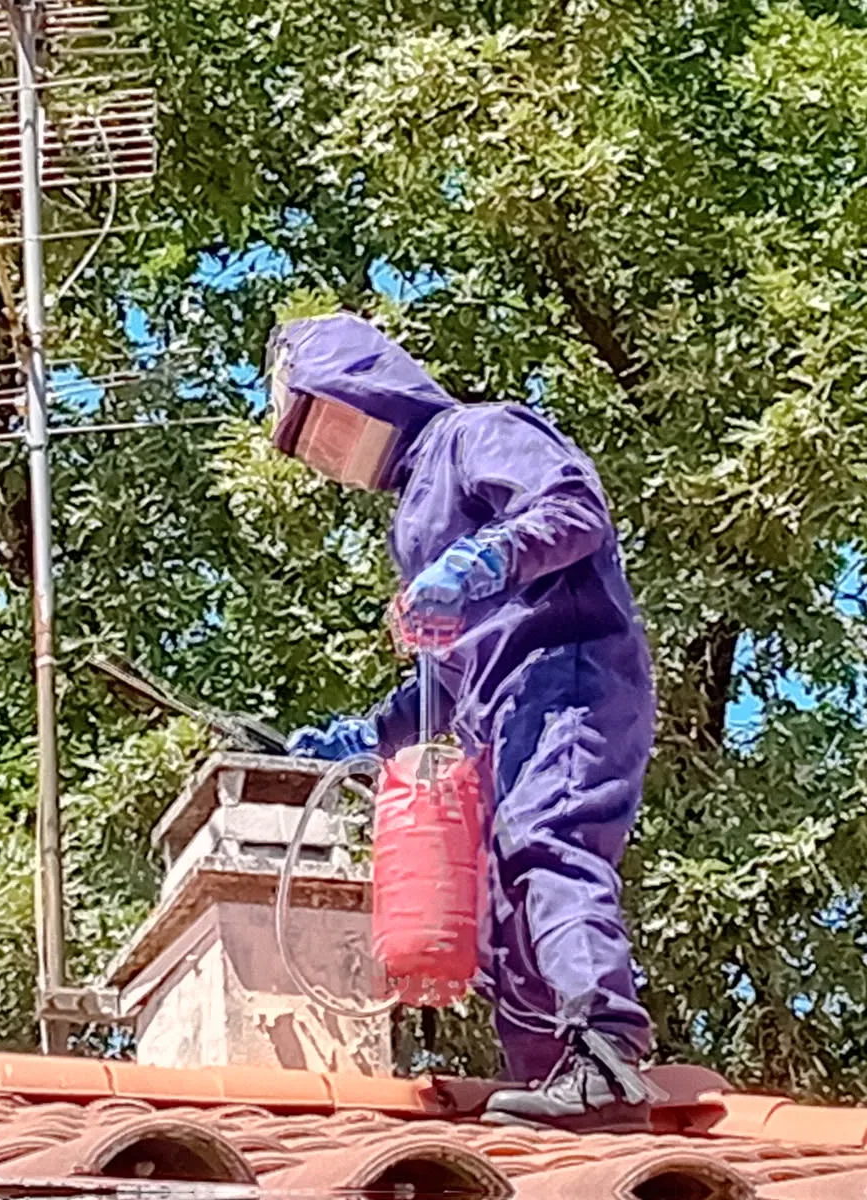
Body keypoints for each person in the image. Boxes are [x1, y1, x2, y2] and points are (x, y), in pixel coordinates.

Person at [269, 312, 658, 1134]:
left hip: (568, 679)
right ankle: (551, 1080)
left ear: (362, 388)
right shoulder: (412, 515)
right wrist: (371, 735)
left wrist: (487, 559)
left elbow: (572, 505)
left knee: (545, 842)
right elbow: (446, 674)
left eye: (326, 423)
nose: (329, 453)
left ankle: (607, 1055)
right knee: (500, 896)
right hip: (498, 713)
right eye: (310, 448)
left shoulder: (475, 433)